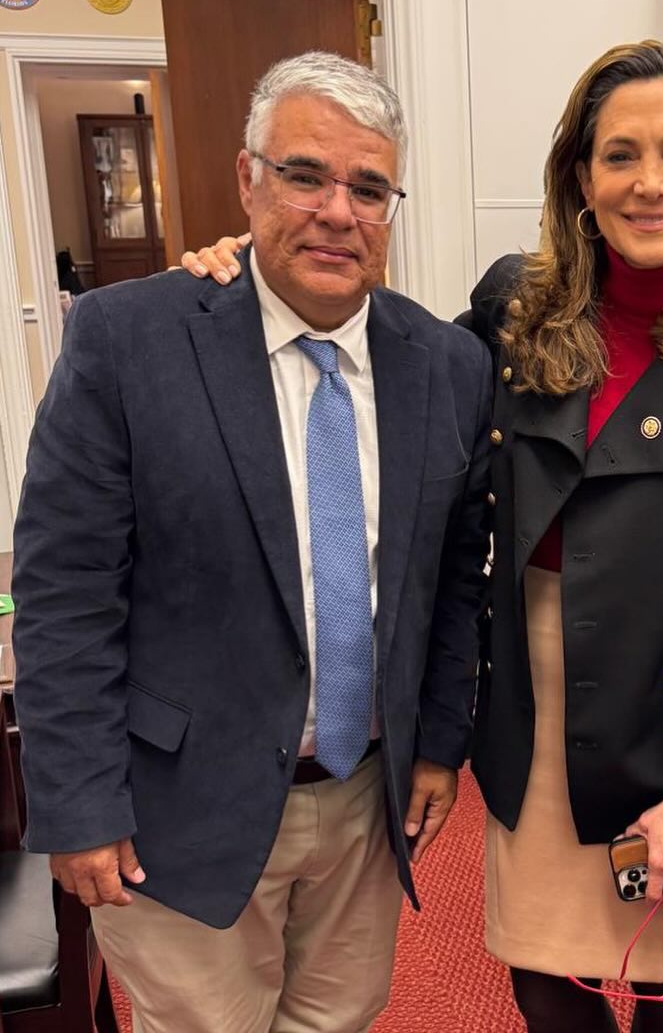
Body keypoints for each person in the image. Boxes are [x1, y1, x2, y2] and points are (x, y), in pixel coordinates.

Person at [189, 40, 663, 1033]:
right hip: (533, 692)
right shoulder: (515, 306)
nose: (649, 183)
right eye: (619, 155)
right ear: (581, 177)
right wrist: (242, 283)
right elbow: (381, 360)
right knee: (545, 982)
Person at [13, 51, 493, 1033]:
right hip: (178, 802)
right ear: (248, 178)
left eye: (369, 188)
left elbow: (450, 580)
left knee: (340, 1020)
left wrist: (440, 745)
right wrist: (79, 803)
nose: (337, 212)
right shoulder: (129, 340)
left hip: (363, 799)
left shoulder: (446, 363)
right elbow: (65, 594)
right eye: (304, 175)